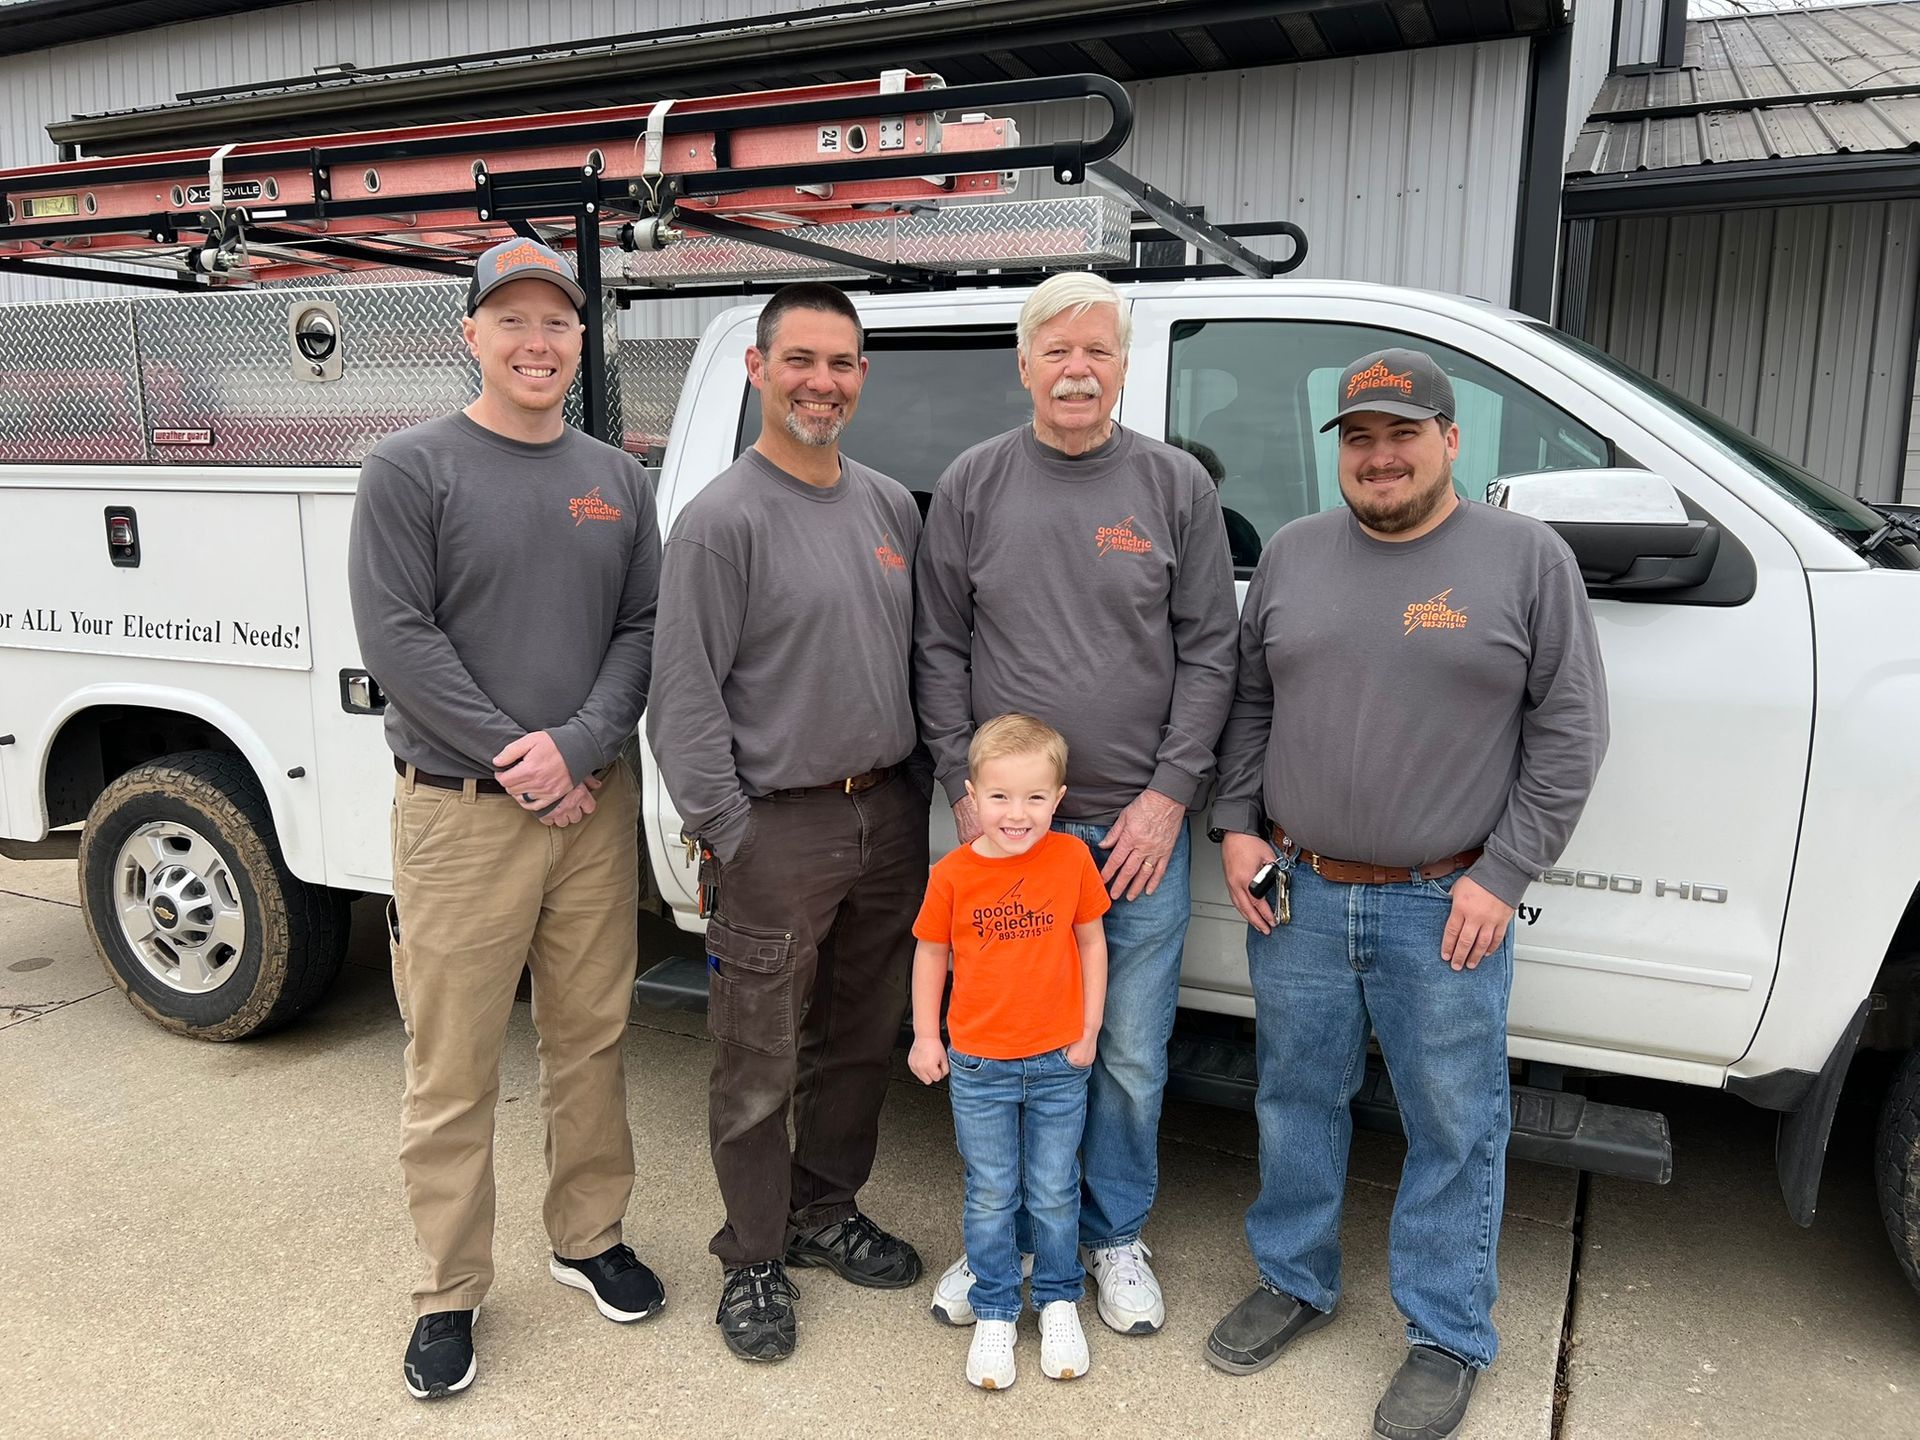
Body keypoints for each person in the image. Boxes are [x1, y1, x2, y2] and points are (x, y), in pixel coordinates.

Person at [1204, 348, 1609, 1440]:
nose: (1380, 457)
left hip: (1446, 904)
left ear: (1450, 440)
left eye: (1402, 433)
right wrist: (1236, 827)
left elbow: (1570, 732)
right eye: (1360, 439)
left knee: (1453, 1123)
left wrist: (1504, 873)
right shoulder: (1291, 554)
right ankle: (1294, 1279)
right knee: (1294, 1096)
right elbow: (1247, 704)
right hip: (1297, 892)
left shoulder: (1525, 559)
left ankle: (1445, 1334)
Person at [348, 237, 665, 1401]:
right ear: (471, 335)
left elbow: (643, 626)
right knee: (453, 1063)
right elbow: (399, 641)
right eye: (514, 322)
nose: (539, 343)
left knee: (591, 1037)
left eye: (559, 325)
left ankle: (586, 1238)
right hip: (461, 814)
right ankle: (447, 1292)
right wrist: (519, 758)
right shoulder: (411, 469)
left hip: (593, 805)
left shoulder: (614, 476)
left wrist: (579, 748)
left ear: (580, 342)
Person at [915, 270, 1237, 1336]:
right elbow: (939, 645)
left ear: (1124, 364)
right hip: (1007, 835)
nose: (1077, 370)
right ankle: (999, 1245)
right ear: (1023, 365)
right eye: (1056, 352)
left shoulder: (1175, 485)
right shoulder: (971, 484)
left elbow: (1209, 652)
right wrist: (967, 795)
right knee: (997, 1049)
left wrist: (1167, 797)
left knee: (1126, 1055)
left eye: (1097, 351)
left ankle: (1111, 1238)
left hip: (1133, 835)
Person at [646, 281, 930, 1364]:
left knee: (861, 1041)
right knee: (756, 1059)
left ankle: (823, 1212)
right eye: (801, 360)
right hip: (777, 830)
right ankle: (754, 1256)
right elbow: (683, 695)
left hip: (885, 817)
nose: (823, 382)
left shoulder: (889, 508)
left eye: (843, 362)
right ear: (760, 370)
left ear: (863, 376)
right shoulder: (723, 520)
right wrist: (730, 828)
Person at [909, 714, 1110, 1390]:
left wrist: (1088, 1031)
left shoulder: (1073, 860)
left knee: (1054, 1190)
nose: (1016, 814)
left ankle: (1057, 1300)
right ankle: (996, 1310)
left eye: (1033, 798)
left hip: (1059, 1062)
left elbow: (1091, 944)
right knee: (991, 1191)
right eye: (999, 797)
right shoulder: (954, 874)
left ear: (1058, 798)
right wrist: (926, 1034)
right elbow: (932, 953)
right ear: (971, 795)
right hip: (978, 1065)